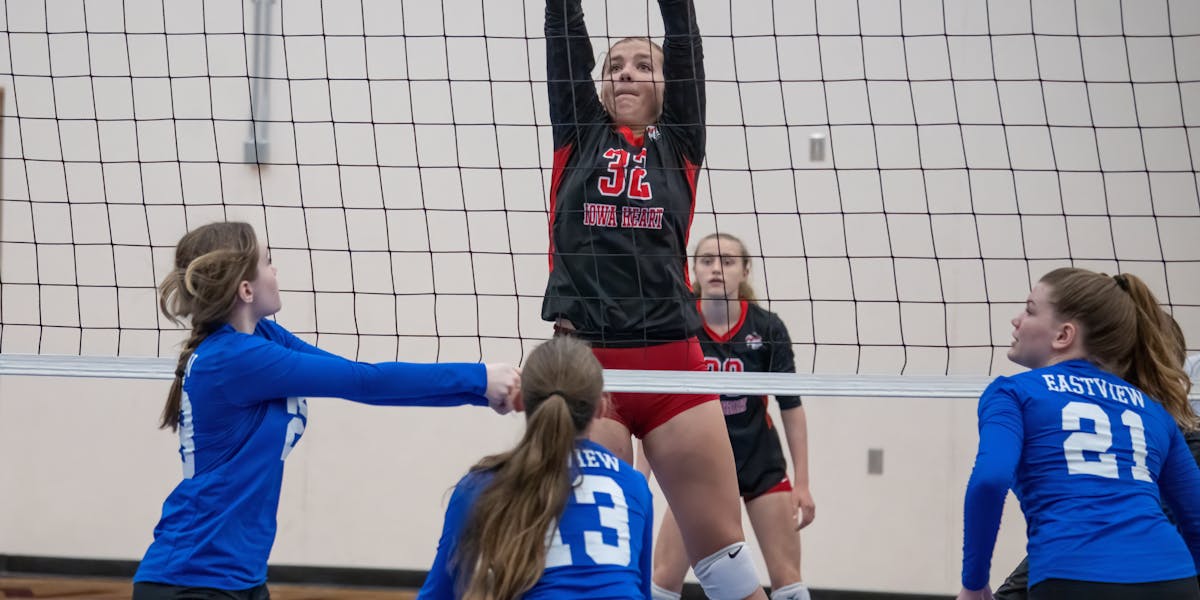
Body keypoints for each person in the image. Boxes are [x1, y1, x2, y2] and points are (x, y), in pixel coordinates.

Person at [133, 222, 521, 600]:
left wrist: (482, 392)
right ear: (246, 289)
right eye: (268, 261)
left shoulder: (261, 337)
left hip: (241, 577)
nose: (276, 270)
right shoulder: (235, 359)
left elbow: (362, 382)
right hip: (189, 579)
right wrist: (479, 378)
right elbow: (365, 382)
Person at [543, 1, 765, 598]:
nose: (626, 72)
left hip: (674, 365)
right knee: (604, 555)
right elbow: (564, 35)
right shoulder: (579, 131)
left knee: (724, 556)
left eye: (644, 65)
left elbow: (685, 39)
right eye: (616, 64)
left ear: (667, 87)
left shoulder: (680, 143)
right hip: (589, 367)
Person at [958, 268, 1200, 600]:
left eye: (1029, 309)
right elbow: (1196, 517)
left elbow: (990, 480)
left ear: (1064, 335)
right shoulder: (1153, 410)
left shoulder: (1013, 393)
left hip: (1073, 576)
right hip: (1172, 579)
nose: (1016, 319)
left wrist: (974, 583)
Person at [645, 233, 814, 600]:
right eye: (706, 260)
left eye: (727, 261)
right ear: (694, 270)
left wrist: (802, 482)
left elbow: (791, 408)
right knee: (662, 579)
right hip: (698, 464)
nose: (716, 268)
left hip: (757, 459)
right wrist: (638, 478)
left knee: (789, 580)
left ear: (745, 270)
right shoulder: (677, 326)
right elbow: (655, 406)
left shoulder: (768, 329)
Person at [418, 335, 653, 599]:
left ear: (519, 402)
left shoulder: (481, 485)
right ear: (602, 406)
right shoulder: (633, 484)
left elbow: (439, 593)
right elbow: (642, 591)